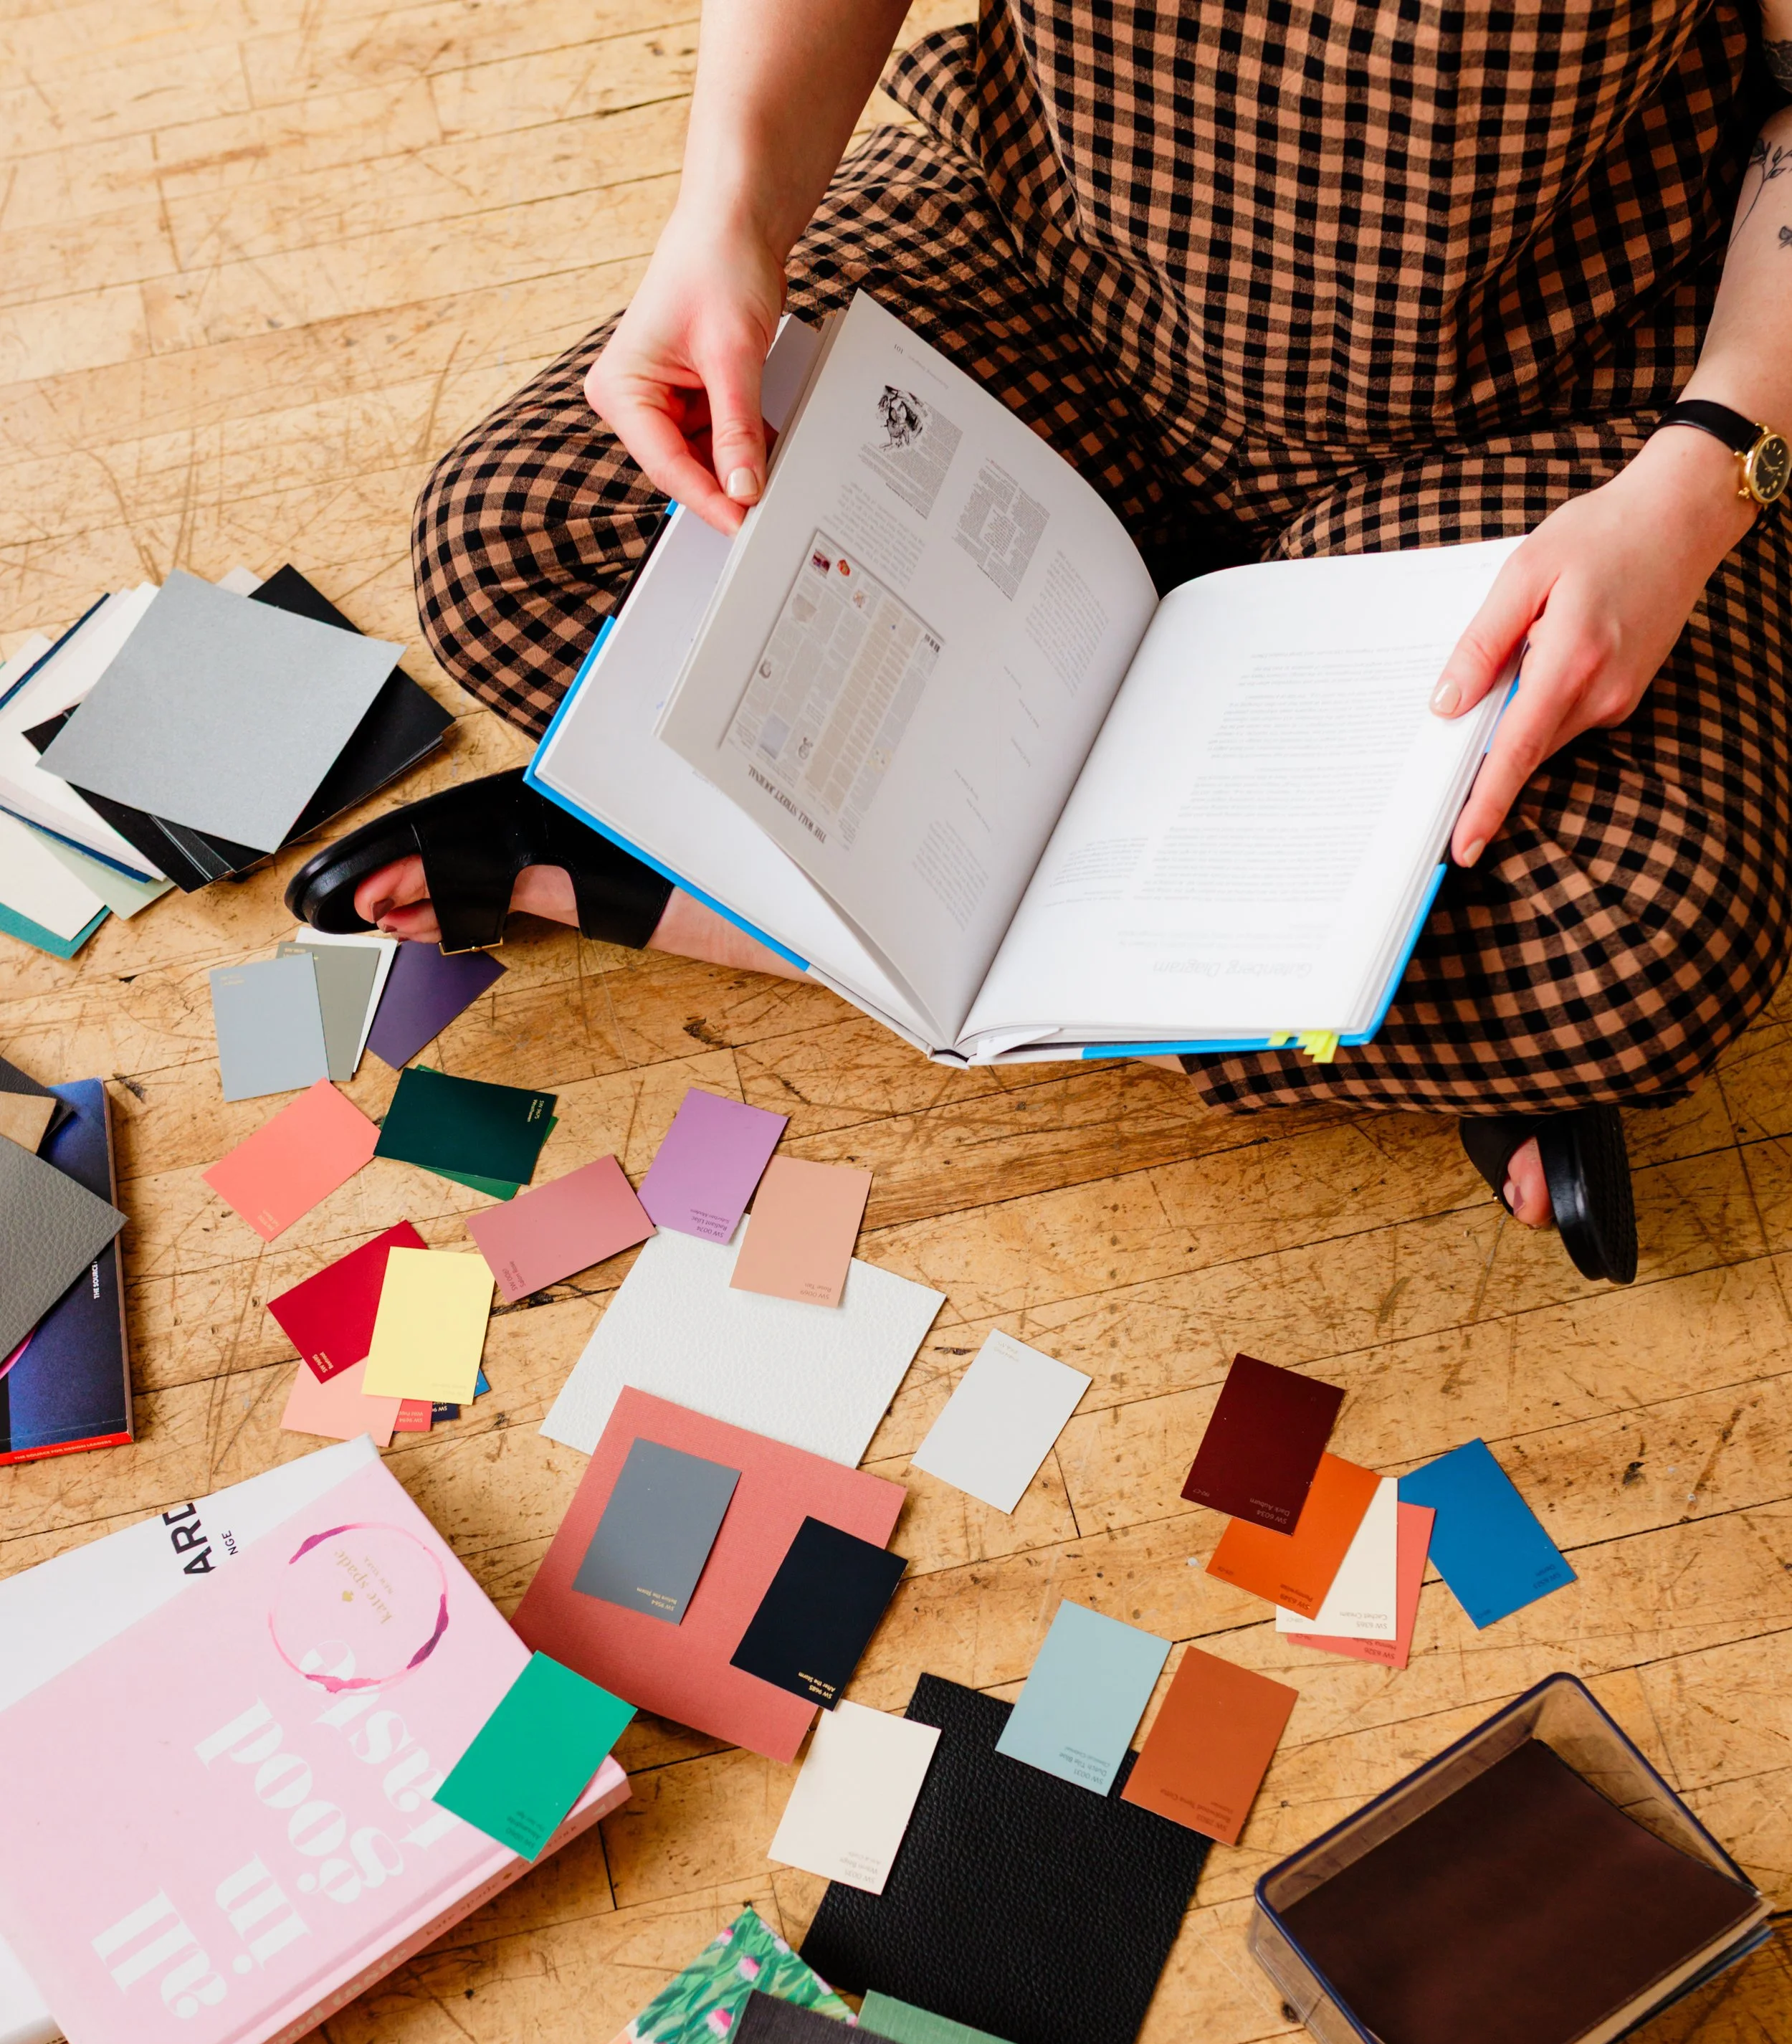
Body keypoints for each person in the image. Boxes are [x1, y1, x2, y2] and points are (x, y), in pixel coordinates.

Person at [290, 0, 1792, 1284]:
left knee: (1640, 936)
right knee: (515, 540)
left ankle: (692, 888)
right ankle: (1353, 989)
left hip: (1557, 399)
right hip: (1051, 264)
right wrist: (729, 213)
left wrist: (1704, 474)